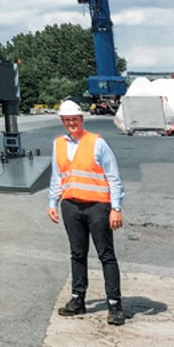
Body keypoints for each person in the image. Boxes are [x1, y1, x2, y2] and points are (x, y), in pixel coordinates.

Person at [47, 99, 126, 326]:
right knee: (77, 254)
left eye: (75, 119)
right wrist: (52, 202)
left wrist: (116, 209)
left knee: (106, 255)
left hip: (97, 207)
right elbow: (56, 175)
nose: (71, 123)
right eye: (67, 120)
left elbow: (113, 177)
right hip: (71, 206)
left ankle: (114, 305)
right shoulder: (58, 144)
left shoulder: (97, 143)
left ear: (81, 119)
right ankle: (77, 299)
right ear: (63, 121)